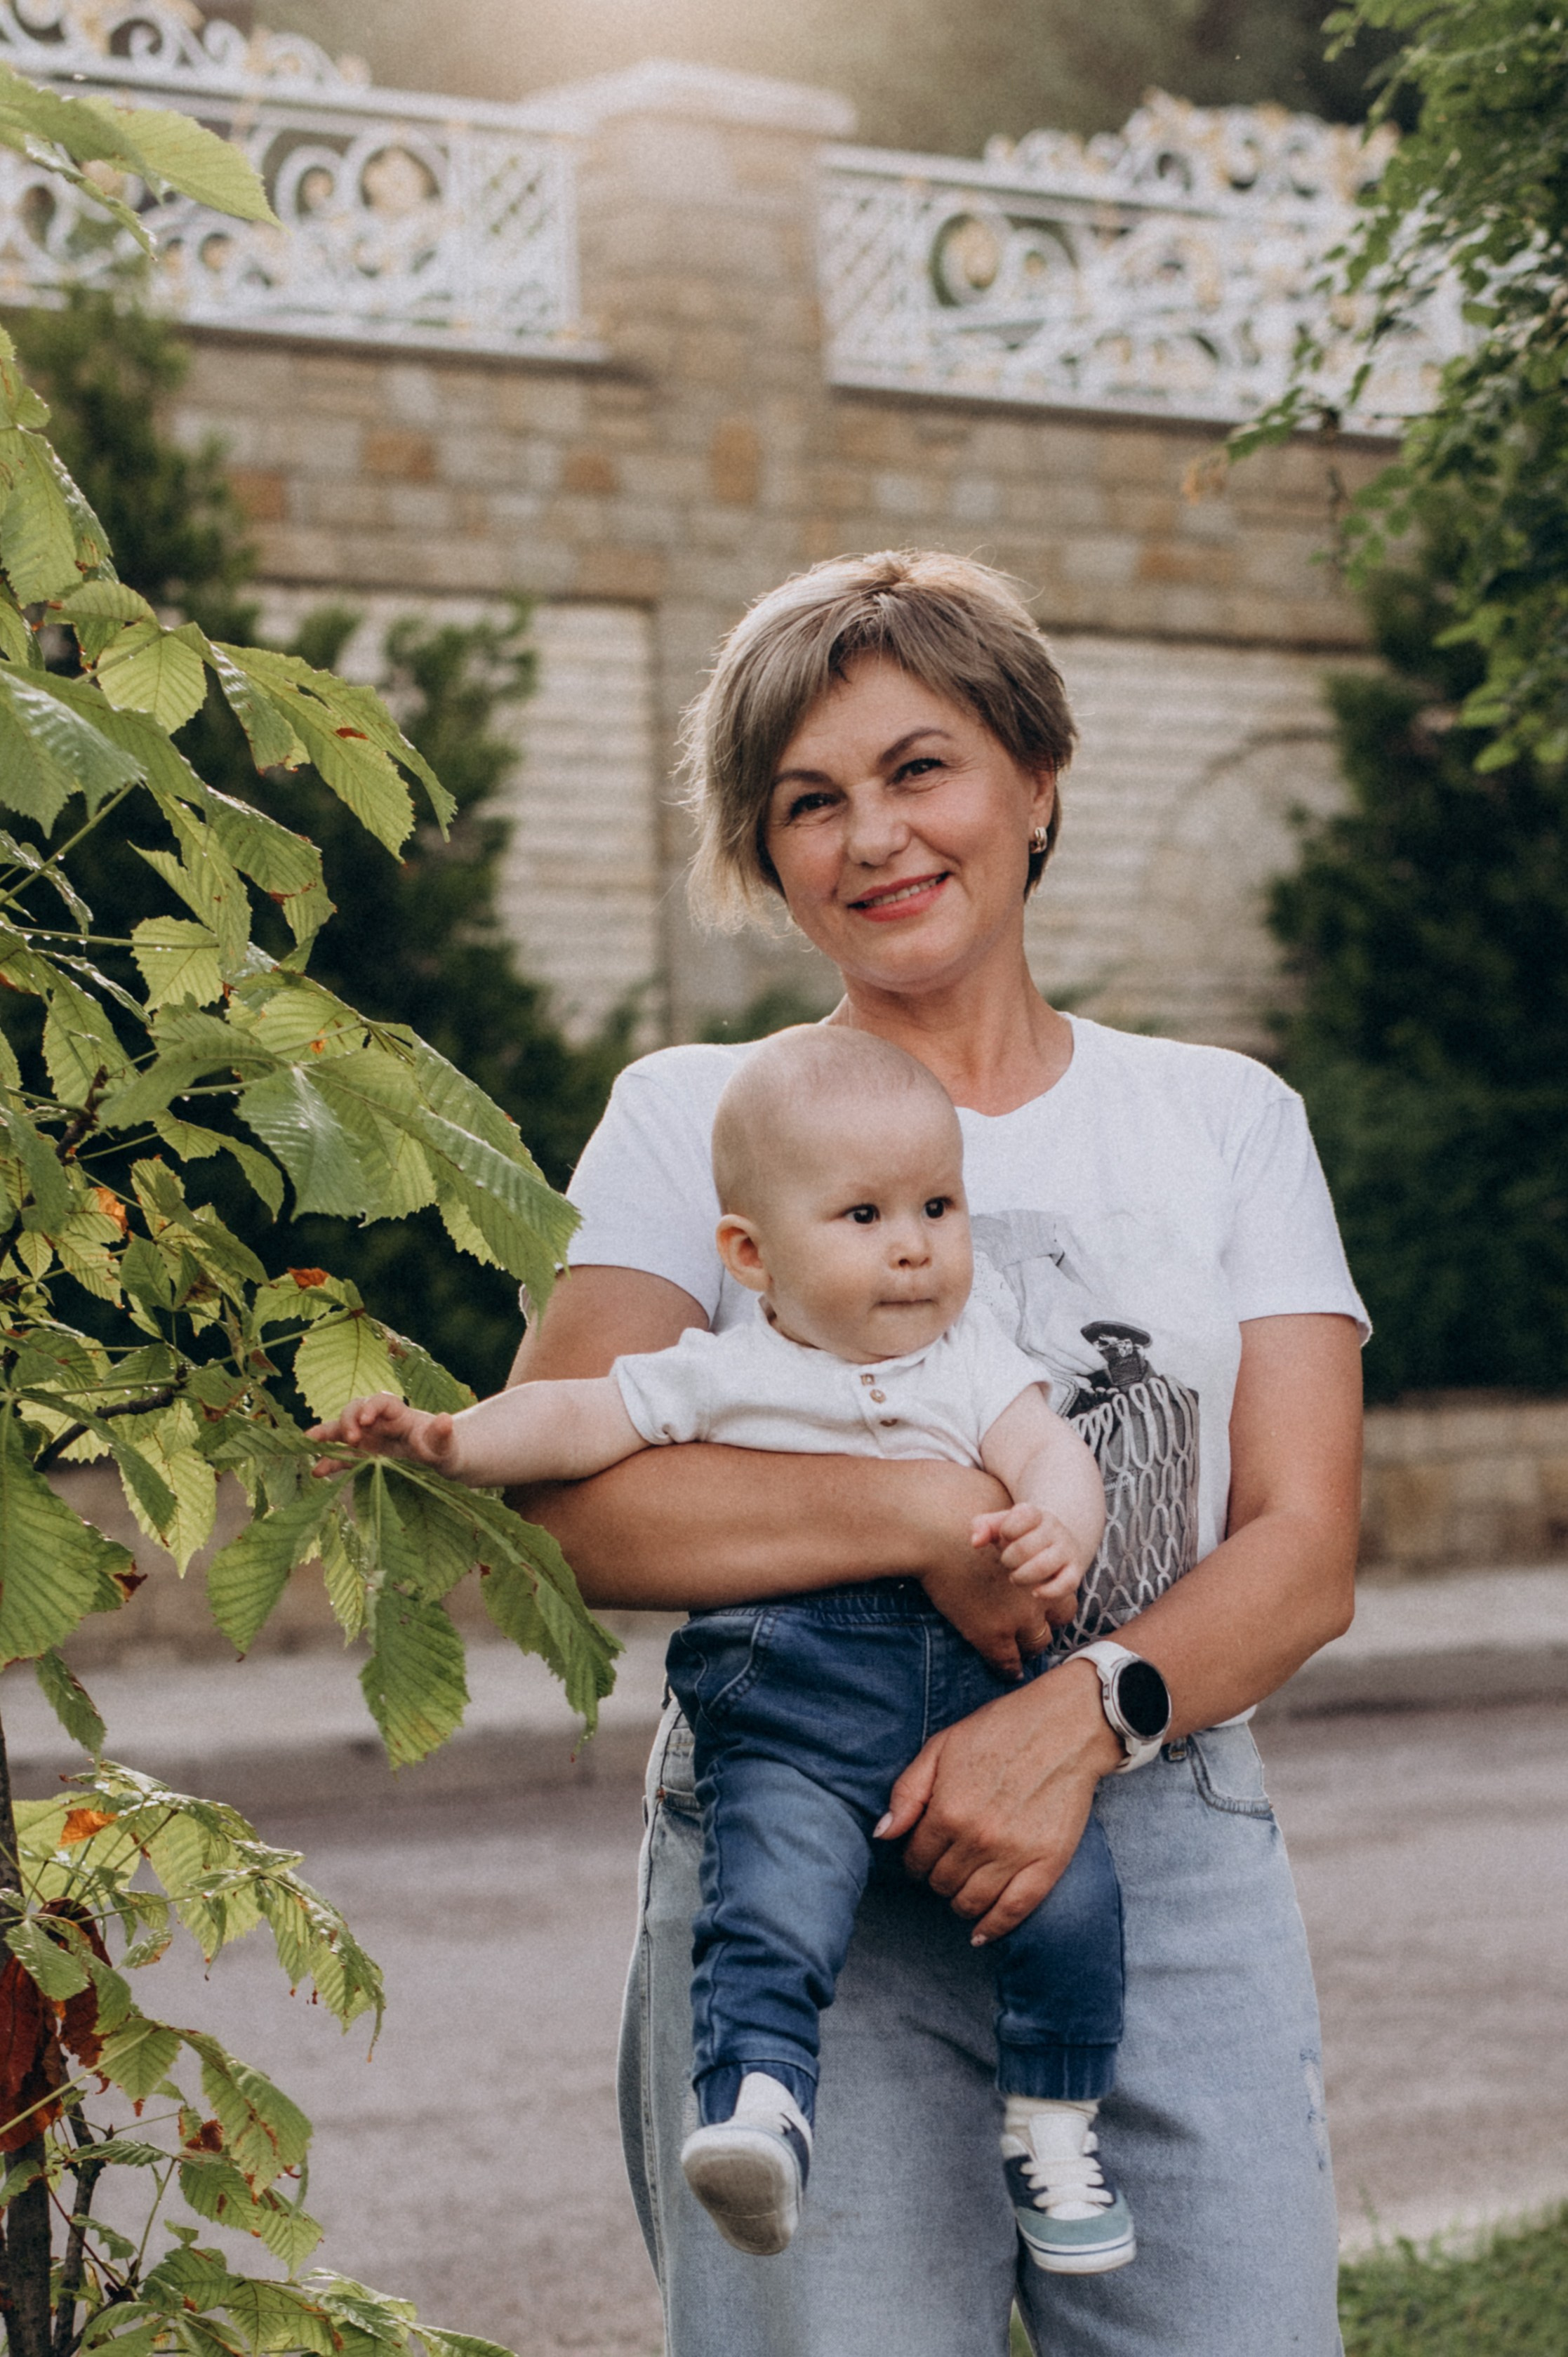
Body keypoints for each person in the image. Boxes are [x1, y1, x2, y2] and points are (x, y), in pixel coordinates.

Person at [506, 550, 1367, 2357]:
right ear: (765, 850)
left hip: (1161, 1824)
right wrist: (927, 1515)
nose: (871, 836)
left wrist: (1078, 1716)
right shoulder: (694, 1117)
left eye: (918, 768)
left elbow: (1300, 1544)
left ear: (1034, 777)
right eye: (807, 799)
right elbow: (576, 1505)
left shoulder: (1221, 1119)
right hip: (797, 1827)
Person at [317, 1027, 1138, 2272]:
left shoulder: (972, 1362)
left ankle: (1053, 2122)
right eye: (862, 1214)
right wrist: (452, 1440)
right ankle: (759, 2110)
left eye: (938, 1205)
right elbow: (579, 1418)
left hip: (975, 1708)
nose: (913, 1242)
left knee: (1072, 1908)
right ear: (750, 1254)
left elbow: (1052, 1457)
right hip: (797, 1707)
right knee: (769, 1900)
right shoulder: (721, 1371)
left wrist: (1056, 1534)